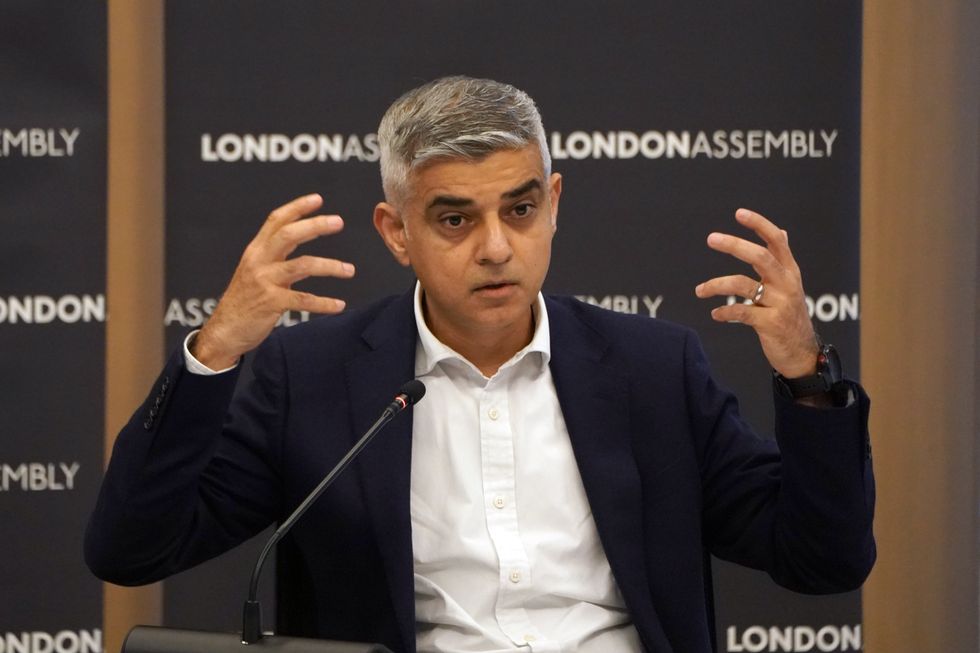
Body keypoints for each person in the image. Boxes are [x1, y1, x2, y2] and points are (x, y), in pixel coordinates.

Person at [85, 76, 875, 653]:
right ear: (396, 232)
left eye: (521, 209)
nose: (497, 246)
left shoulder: (652, 366)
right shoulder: (312, 377)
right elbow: (131, 550)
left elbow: (823, 560)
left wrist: (806, 375)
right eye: (455, 218)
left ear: (555, 202)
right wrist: (217, 348)